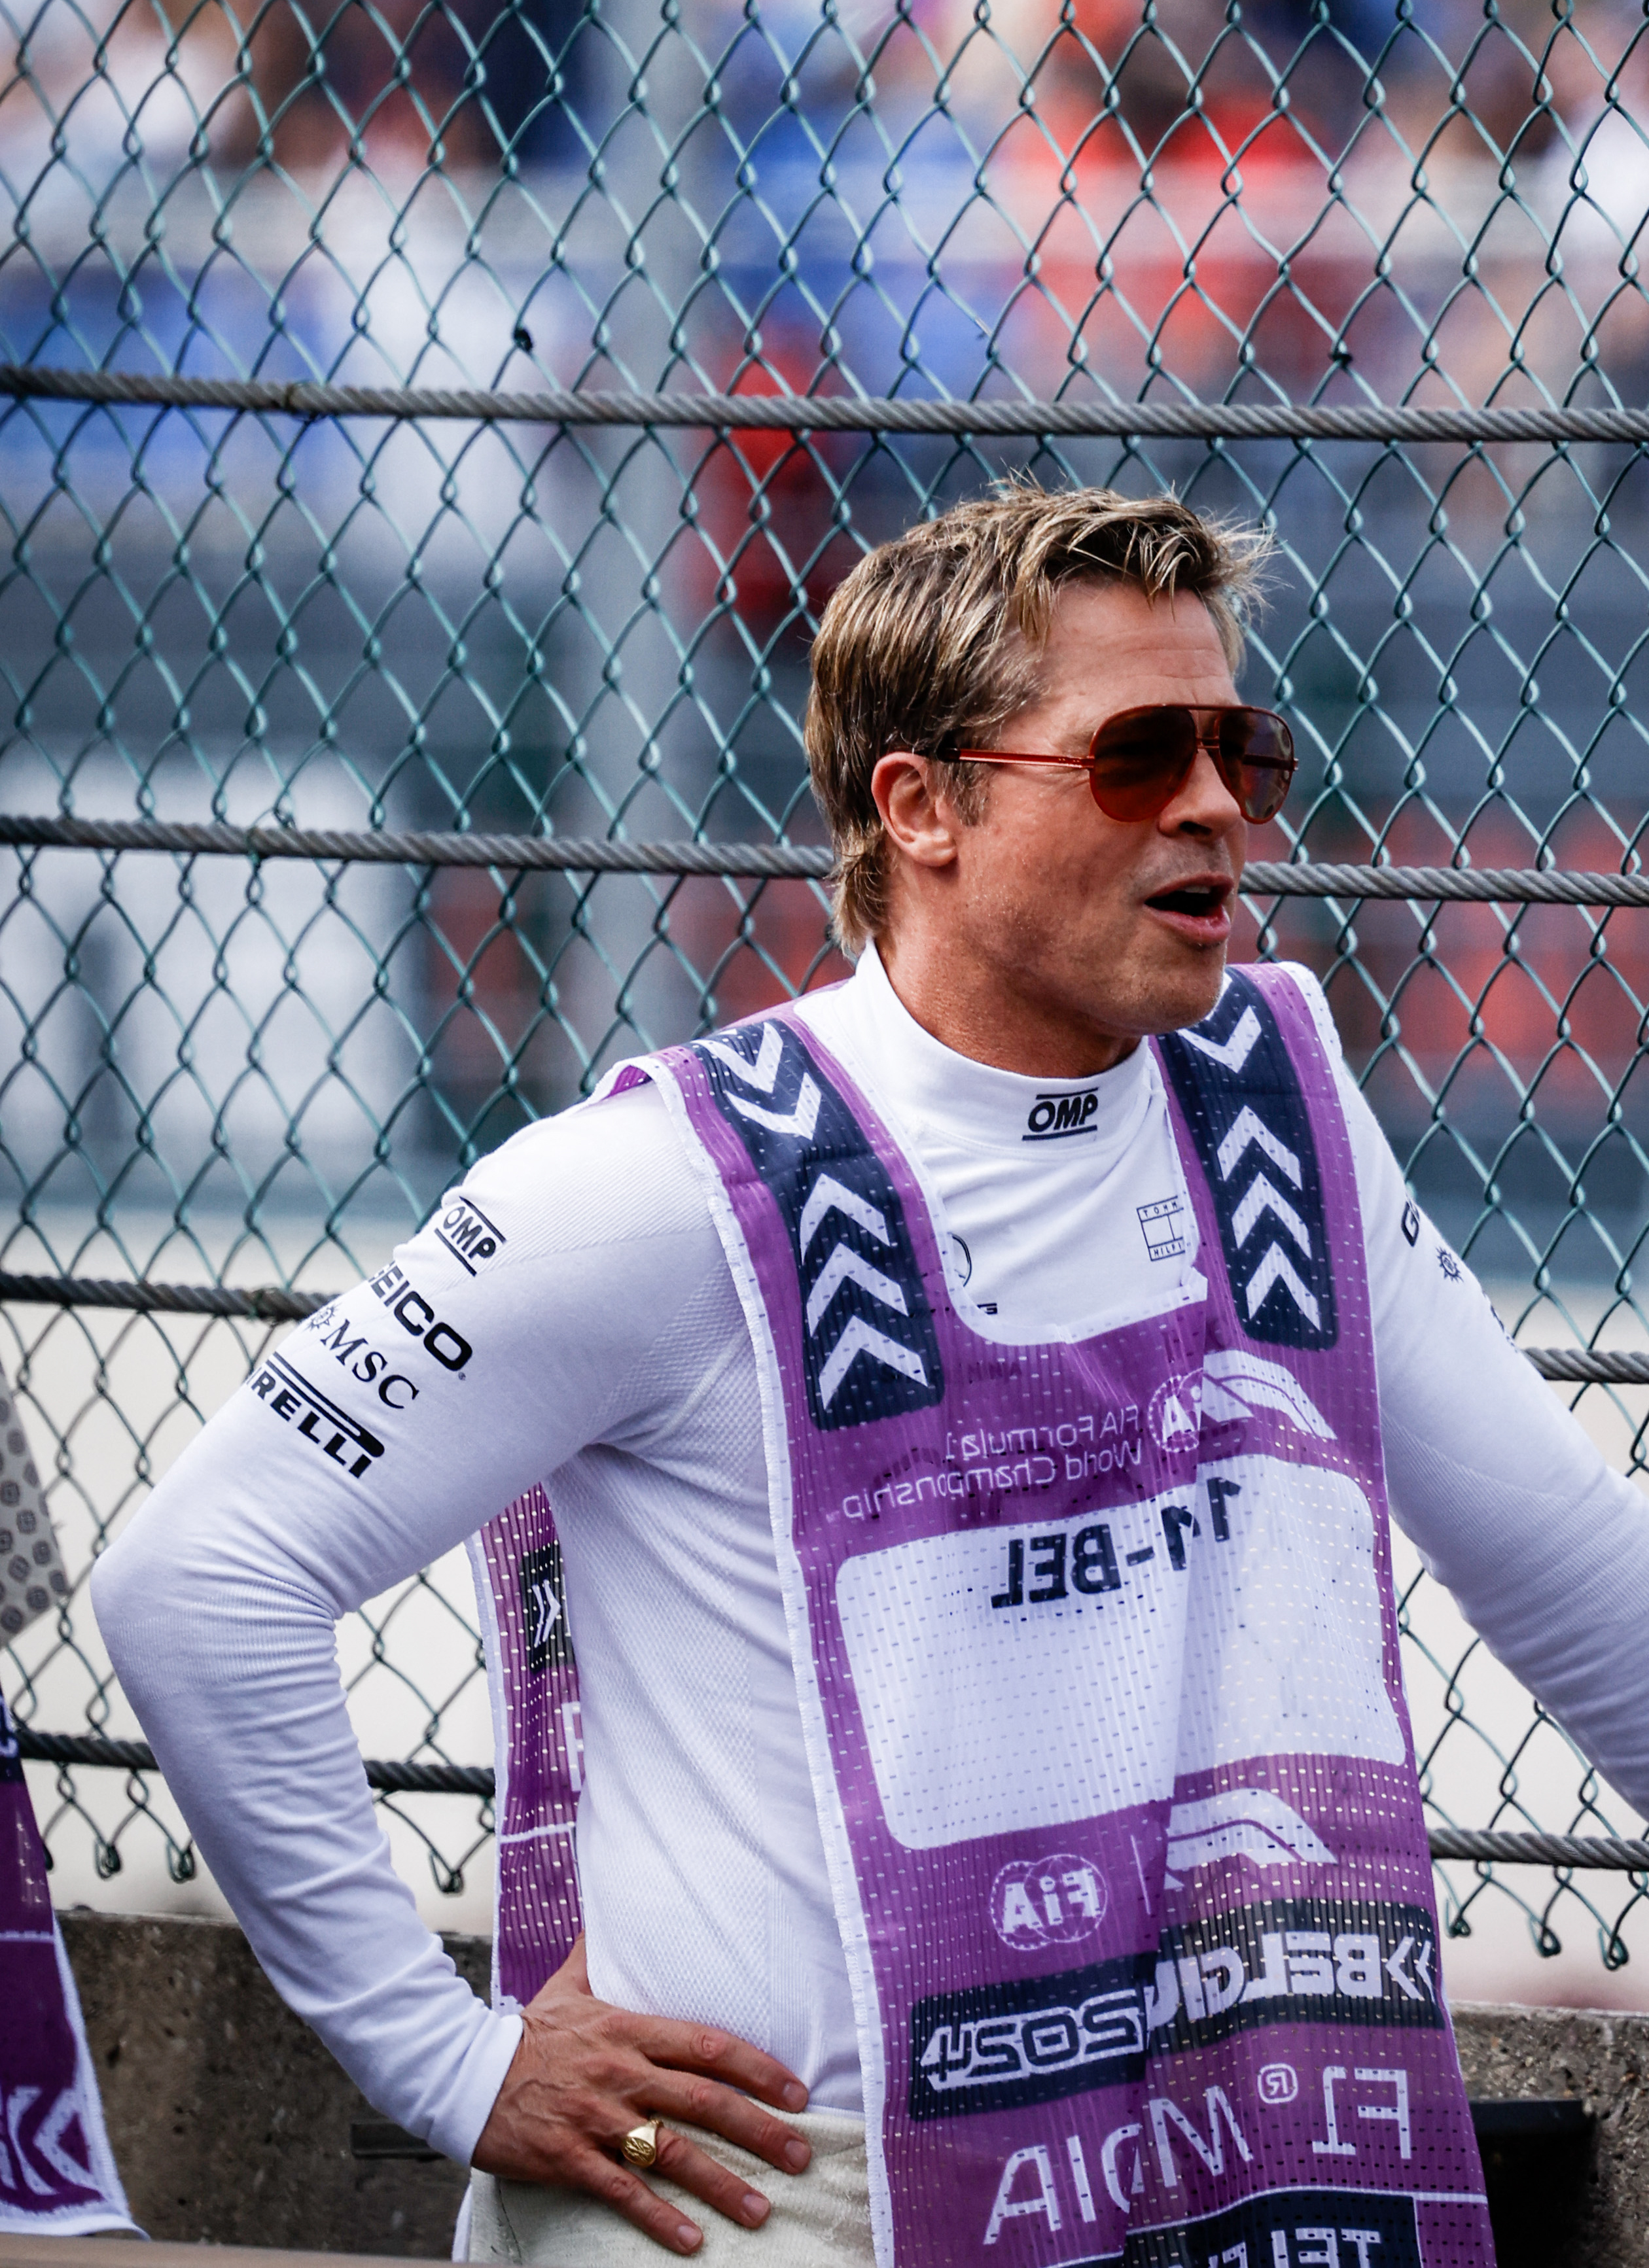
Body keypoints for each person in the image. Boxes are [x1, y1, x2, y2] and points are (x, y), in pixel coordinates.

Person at [96, 485, 1649, 2268]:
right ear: (922, 805)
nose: (1220, 801)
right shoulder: (667, 1188)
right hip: (778, 2203)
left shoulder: (1278, 1101)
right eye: (1141, 752)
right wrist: (444, 2059)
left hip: (1202, 2167)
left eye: (1246, 746)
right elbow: (199, 1578)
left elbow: (1576, 1574)